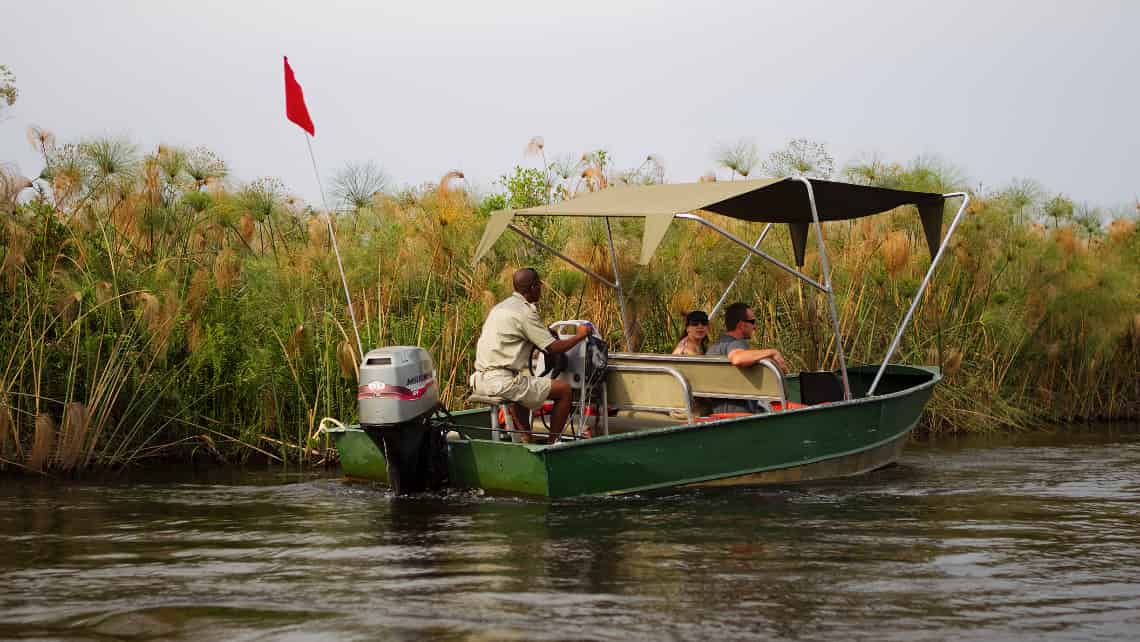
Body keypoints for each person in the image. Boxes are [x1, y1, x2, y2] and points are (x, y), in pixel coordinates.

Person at [470, 267, 591, 442]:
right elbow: (553, 349)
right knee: (564, 390)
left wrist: (544, 333)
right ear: (533, 287)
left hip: (480, 380)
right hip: (501, 382)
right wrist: (580, 335)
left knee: (522, 384)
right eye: (539, 284)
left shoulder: (500, 308)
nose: (541, 288)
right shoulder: (525, 312)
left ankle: (527, 438)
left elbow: (520, 336)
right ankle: (552, 444)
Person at [706, 302, 788, 414]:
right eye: (752, 322)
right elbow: (737, 358)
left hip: (717, 411)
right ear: (741, 325)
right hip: (742, 411)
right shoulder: (737, 343)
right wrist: (772, 352)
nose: (755, 326)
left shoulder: (713, 348)